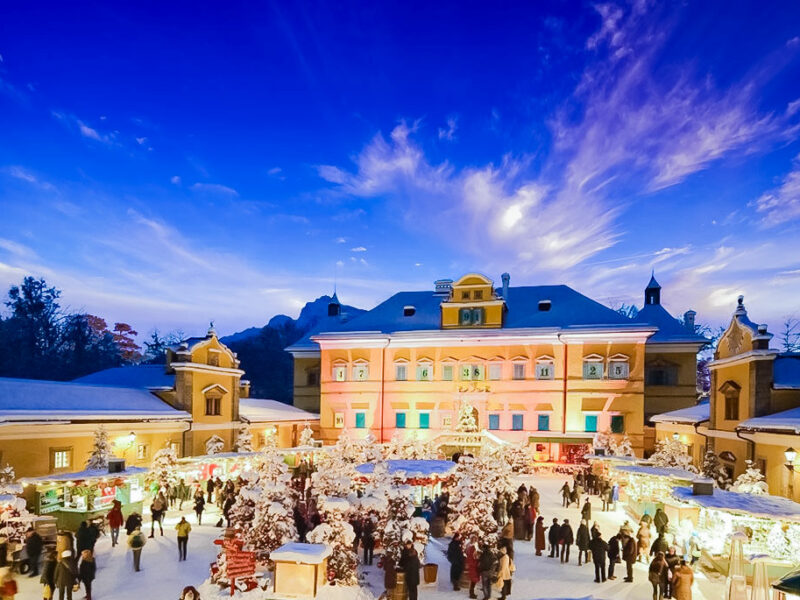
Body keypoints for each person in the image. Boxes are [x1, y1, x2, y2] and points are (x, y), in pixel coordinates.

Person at [465, 535, 480, 599]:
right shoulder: (472, 549)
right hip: (473, 568)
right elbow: (474, 558)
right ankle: (471, 594)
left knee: (473, 581)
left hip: (472, 567)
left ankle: (472, 593)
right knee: (473, 581)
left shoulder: (471, 548)